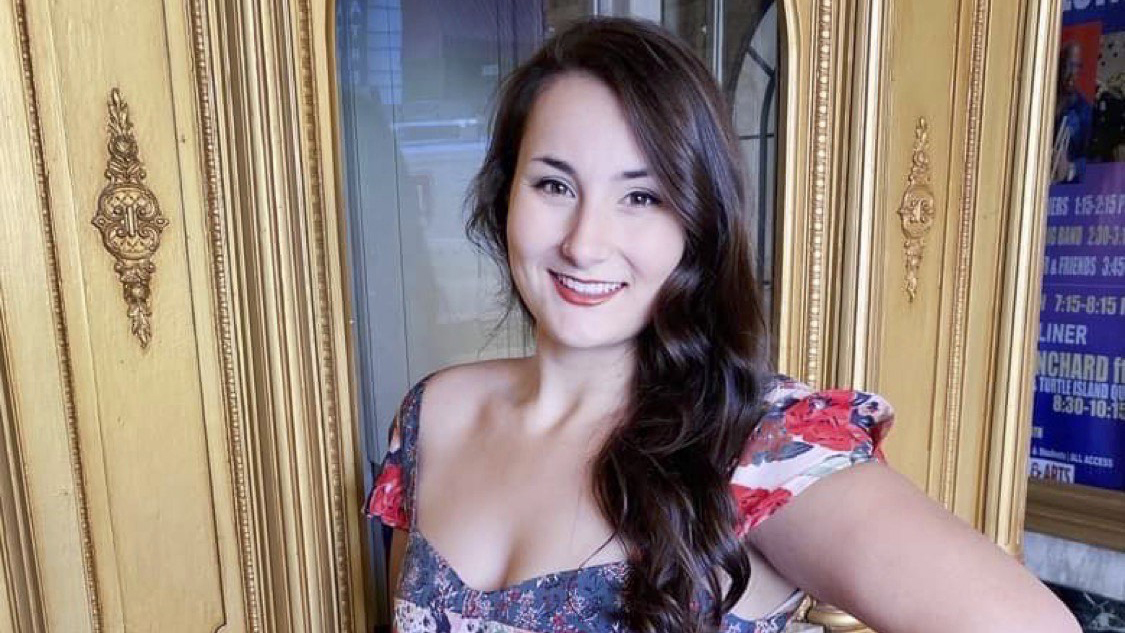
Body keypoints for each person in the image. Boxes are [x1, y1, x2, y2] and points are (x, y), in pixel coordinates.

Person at [365, 17, 1080, 633]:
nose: (584, 242)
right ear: (505, 196)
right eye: (554, 185)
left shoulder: (759, 442)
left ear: (697, 224)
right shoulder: (434, 415)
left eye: (641, 197)